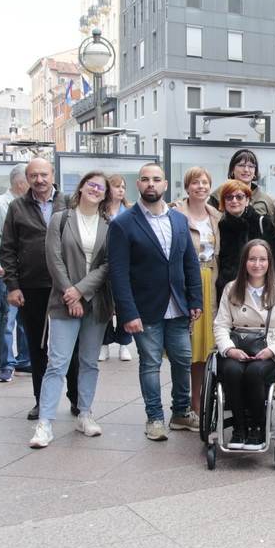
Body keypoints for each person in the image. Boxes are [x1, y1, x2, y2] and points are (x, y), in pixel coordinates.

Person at [108, 163, 204, 439]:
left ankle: (181, 413)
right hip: (144, 308)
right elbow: (118, 273)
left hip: (178, 306)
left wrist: (194, 298)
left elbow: (189, 262)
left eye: (157, 179)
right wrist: (127, 313)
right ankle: (154, 419)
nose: (151, 184)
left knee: (183, 360)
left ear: (165, 185)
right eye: (145, 180)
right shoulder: (124, 224)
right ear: (138, 185)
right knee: (150, 364)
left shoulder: (178, 219)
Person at [30, 171, 114, 448]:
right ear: (81, 187)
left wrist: (81, 291)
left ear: (105, 195)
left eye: (101, 187)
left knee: (89, 362)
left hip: (97, 302)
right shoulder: (61, 219)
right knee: (57, 363)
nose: (95, 190)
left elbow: (107, 265)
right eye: (91, 184)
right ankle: (45, 422)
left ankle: (85, 414)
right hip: (64, 301)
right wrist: (71, 294)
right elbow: (53, 259)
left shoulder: (109, 224)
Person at [0, 158, 72, 421]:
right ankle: (42, 401)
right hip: (32, 286)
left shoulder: (68, 202)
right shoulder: (17, 207)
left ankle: (76, 399)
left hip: (67, 285)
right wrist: (13, 286)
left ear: (53, 174)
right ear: (26, 179)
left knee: (70, 346)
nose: (39, 180)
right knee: (37, 346)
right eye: (33, 175)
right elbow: (7, 248)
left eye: (44, 174)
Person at [214, 240, 275, 448]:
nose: (257, 264)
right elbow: (221, 325)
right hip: (237, 347)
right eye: (252, 259)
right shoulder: (231, 289)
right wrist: (229, 349)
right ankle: (239, 428)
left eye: (262, 259)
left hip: (268, 349)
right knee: (232, 371)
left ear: (269, 263)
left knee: (254, 372)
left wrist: (272, 350)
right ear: (244, 262)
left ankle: (259, 427)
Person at [172, 166, 222, 417]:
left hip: (210, 282)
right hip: (186, 282)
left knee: (204, 348)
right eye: (195, 183)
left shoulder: (216, 215)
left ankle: (198, 399)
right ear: (187, 187)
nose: (200, 187)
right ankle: (183, 402)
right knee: (185, 348)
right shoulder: (175, 213)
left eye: (204, 182)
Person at [0, 163, 31, 382]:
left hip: (29, 273)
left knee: (25, 320)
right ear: (21, 182)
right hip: (6, 273)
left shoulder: (31, 205)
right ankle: (6, 363)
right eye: (31, 178)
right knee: (6, 320)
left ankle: (24, 360)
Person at [217, 180, 275, 299]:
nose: (234, 201)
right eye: (229, 197)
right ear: (223, 201)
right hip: (229, 292)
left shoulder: (262, 223)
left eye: (239, 197)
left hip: (261, 290)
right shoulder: (220, 227)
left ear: (247, 200)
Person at [99, 173, 134, 362]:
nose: (121, 190)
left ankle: (124, 344)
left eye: (123, 187)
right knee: (104, 306)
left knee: (123, 306)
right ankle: (104, 344)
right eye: (116, 186)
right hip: (103, 265)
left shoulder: (128, 211)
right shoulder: (99, 211)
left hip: (125, 266)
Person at [208, 148, 275, 229]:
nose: (246, 170)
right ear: (232, 169)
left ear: (255, 171)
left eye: (251, 166)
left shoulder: (266, 201)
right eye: (241, 165)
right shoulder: (218, 196)